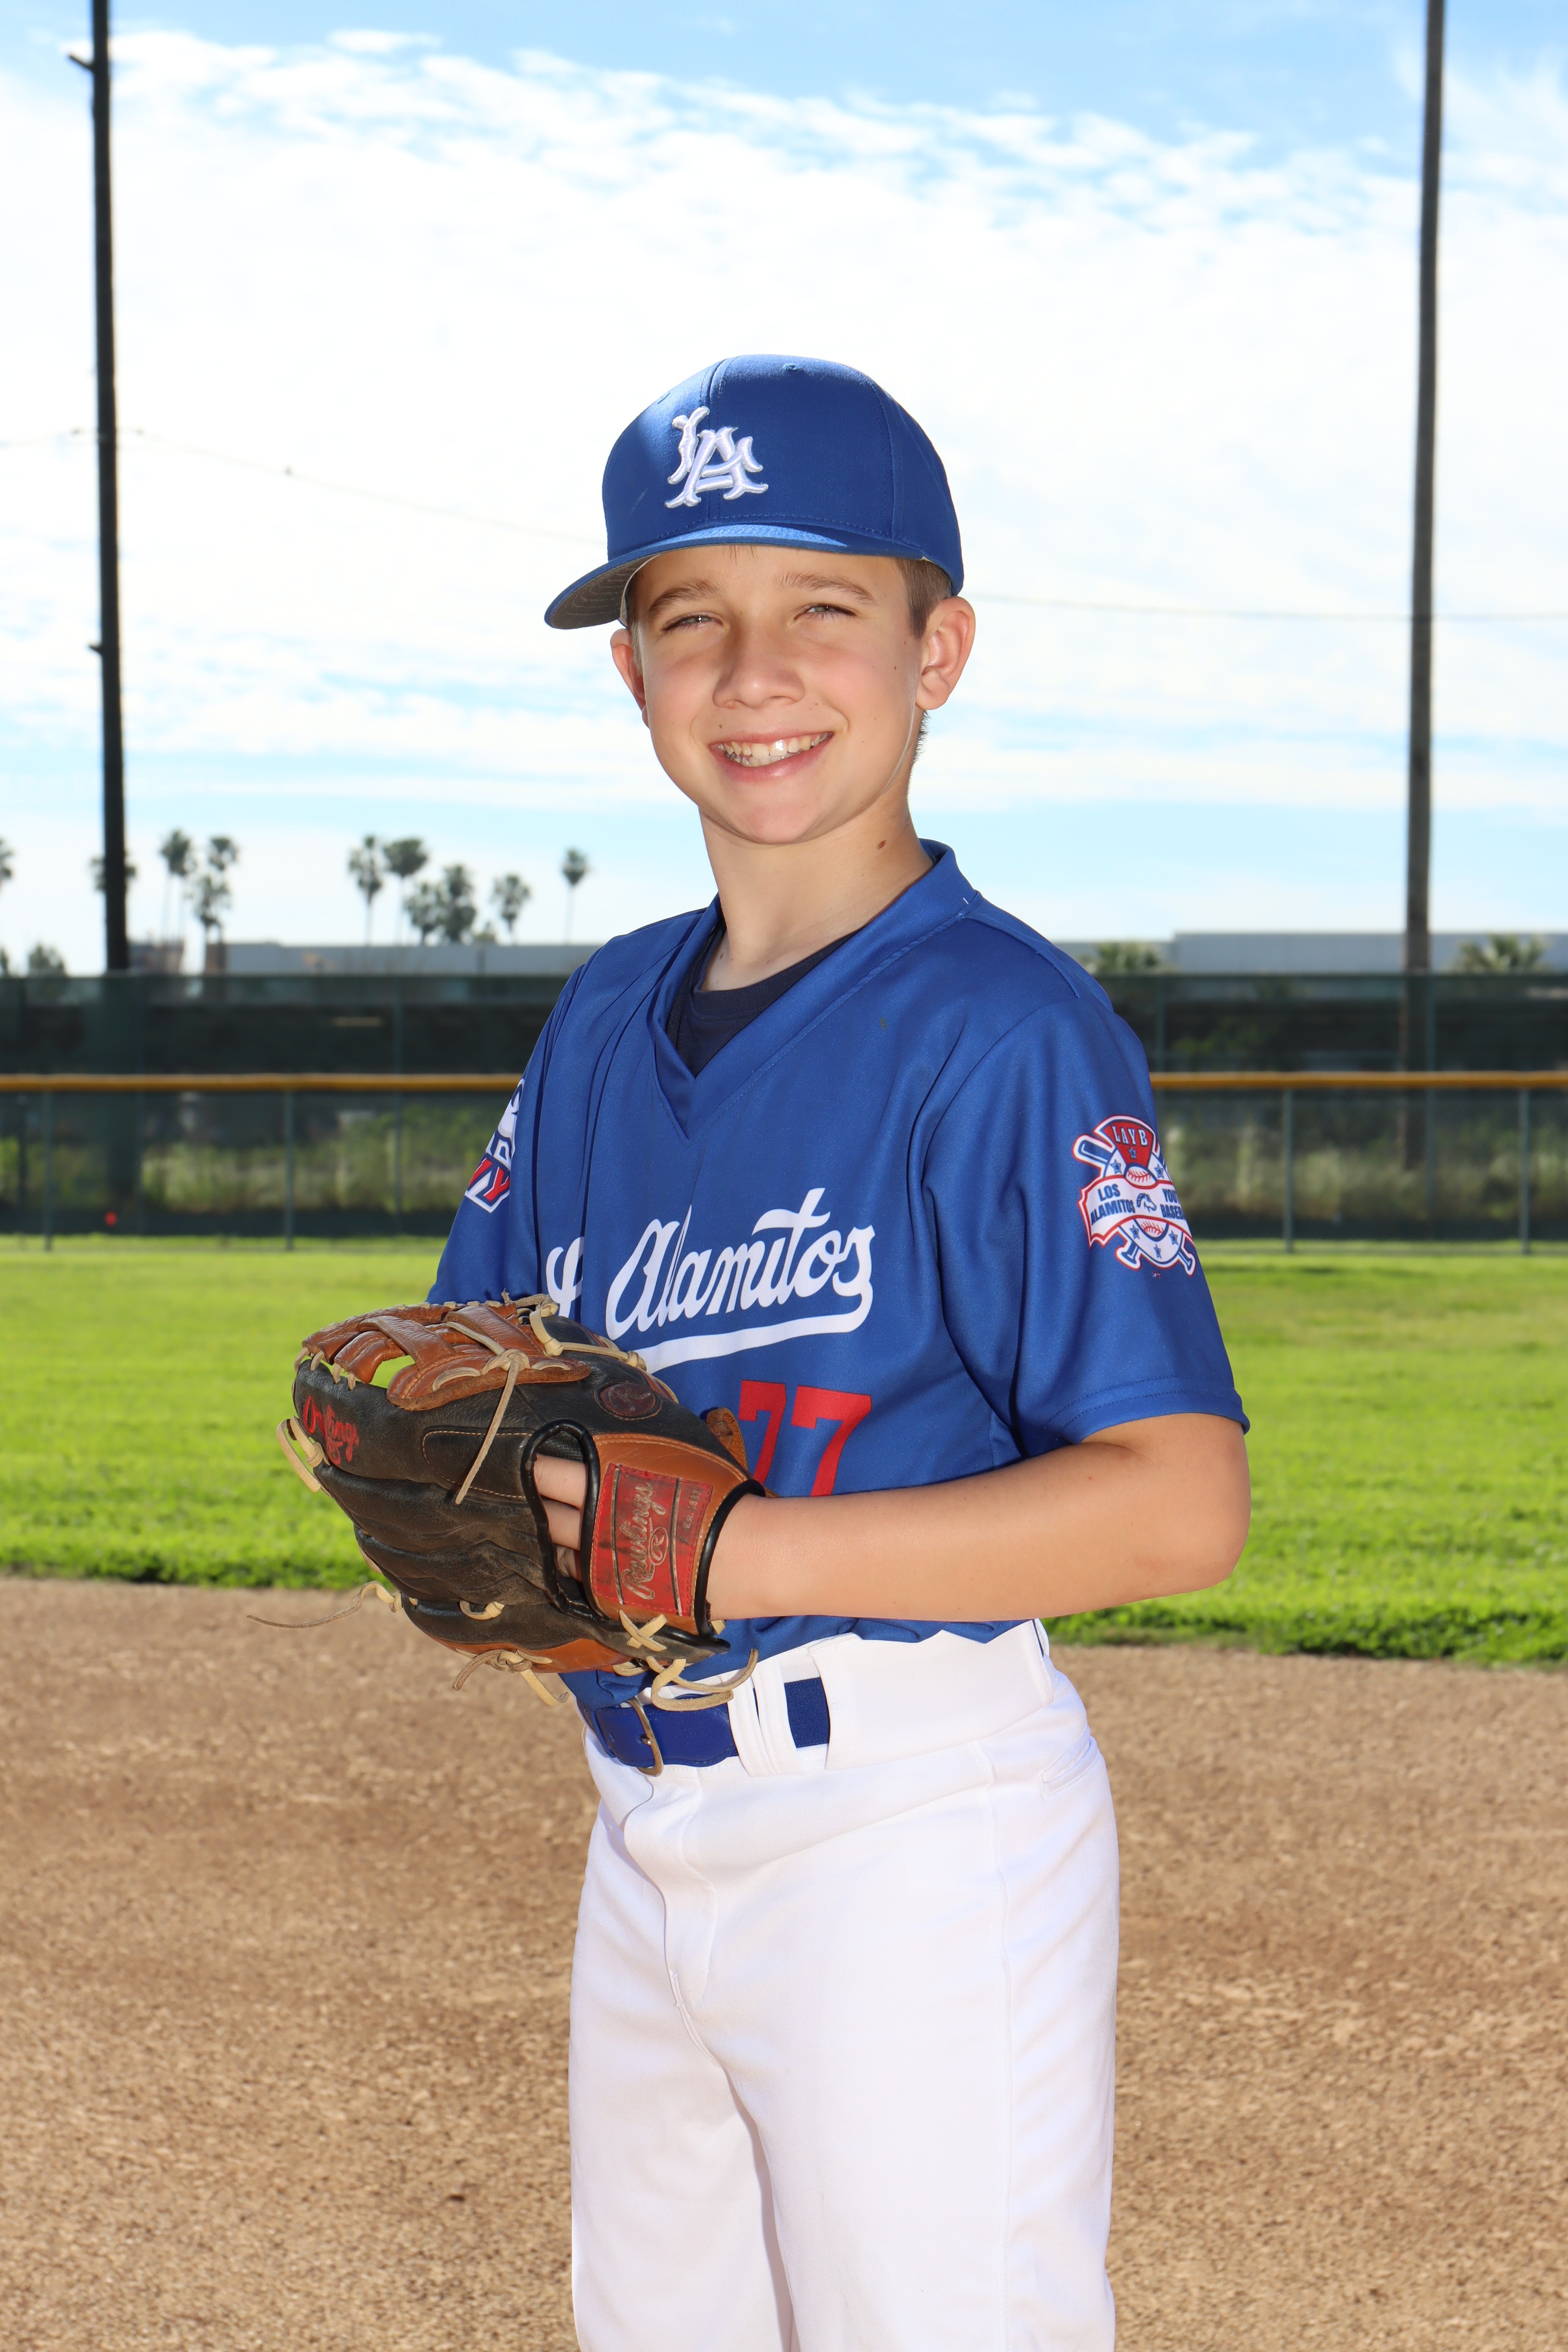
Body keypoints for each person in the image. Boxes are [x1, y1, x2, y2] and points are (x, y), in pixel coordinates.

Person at [432, 354, 1250, 2352]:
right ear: (631, 675)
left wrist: (737, 1555)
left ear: (934, 651)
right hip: (644, 1819)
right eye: (687, 616)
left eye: (822, 605)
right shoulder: (601, 1020)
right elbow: (484, 1371)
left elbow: (1177, 1504)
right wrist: (459, 1498)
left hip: (908, 1826)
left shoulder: (1001, 1026)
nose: (753, 673)